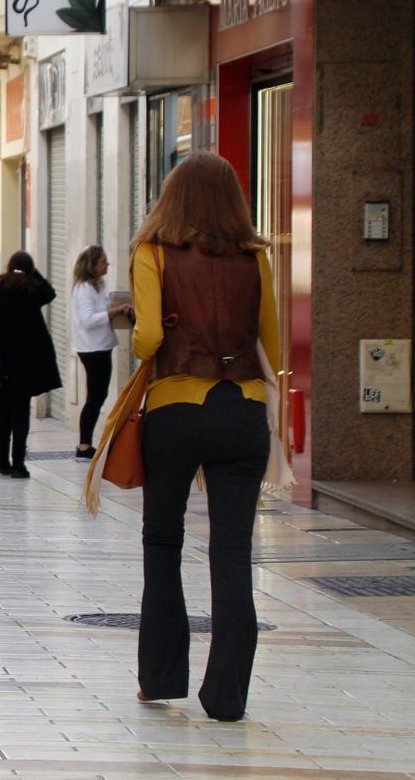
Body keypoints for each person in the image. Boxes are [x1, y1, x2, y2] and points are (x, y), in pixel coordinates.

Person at [129, 151, 280, 723]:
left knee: (163, 544)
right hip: (242, 411)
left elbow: (145, 340)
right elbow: (270, 340)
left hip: (176, 411)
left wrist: (159, 328)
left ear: (173, 197)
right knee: (233, 552)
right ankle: (227, 697)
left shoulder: (152, 252)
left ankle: (162, 678)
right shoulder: (254, 259)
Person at [0, 251, 61, 479]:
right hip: (28, 360)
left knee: (3, 409)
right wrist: (32, 272)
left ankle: (2, 458)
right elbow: (50, 292)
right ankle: (19, 463)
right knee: (21, 409)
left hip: (1, 358)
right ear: (30, 269)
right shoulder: (32, 288)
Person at [71, 246, 134, 459]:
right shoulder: (84, 289)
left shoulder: (97, 286)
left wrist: (120, 308)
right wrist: (114, 311)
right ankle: (84, 445)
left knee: (99, 395)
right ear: (92, 265)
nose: (107, 265)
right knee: (95, 397)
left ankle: (86, 443)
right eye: (103, 262)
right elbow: (88, 321)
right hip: (92, 348)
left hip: (102, 346)